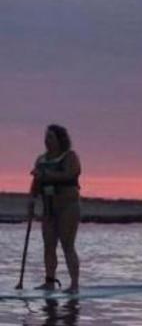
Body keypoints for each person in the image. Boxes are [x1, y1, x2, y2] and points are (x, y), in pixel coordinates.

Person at [28, 124, 82, 292]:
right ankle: (49, 281)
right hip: (48, 207)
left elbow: (69, 174)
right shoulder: (41, 160)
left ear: (60, 140)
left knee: (67, 245)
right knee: (48, 245)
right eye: (46, 137)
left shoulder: (70, 157)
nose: (47, 140)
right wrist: (31, 200)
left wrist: (45, 175)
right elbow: (36, 182)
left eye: (51, 137)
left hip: (68, 207)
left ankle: (74, 285)